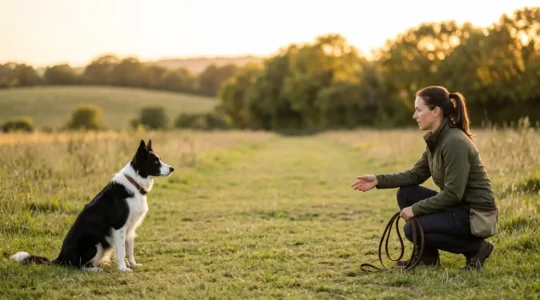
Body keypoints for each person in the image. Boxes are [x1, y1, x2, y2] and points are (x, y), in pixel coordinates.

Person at [351, 86, 498, 271]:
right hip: (459, 206)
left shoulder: (455, 142)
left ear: (435, 111)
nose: (414, 116)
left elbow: (453, 193)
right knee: (406, 193)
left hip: (475, 214)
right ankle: (427, 257)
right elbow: (415, 175)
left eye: (419, 110)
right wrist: (378, 180)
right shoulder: (436, 140)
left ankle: (476, 249)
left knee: (412, 229)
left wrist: (416, 209)